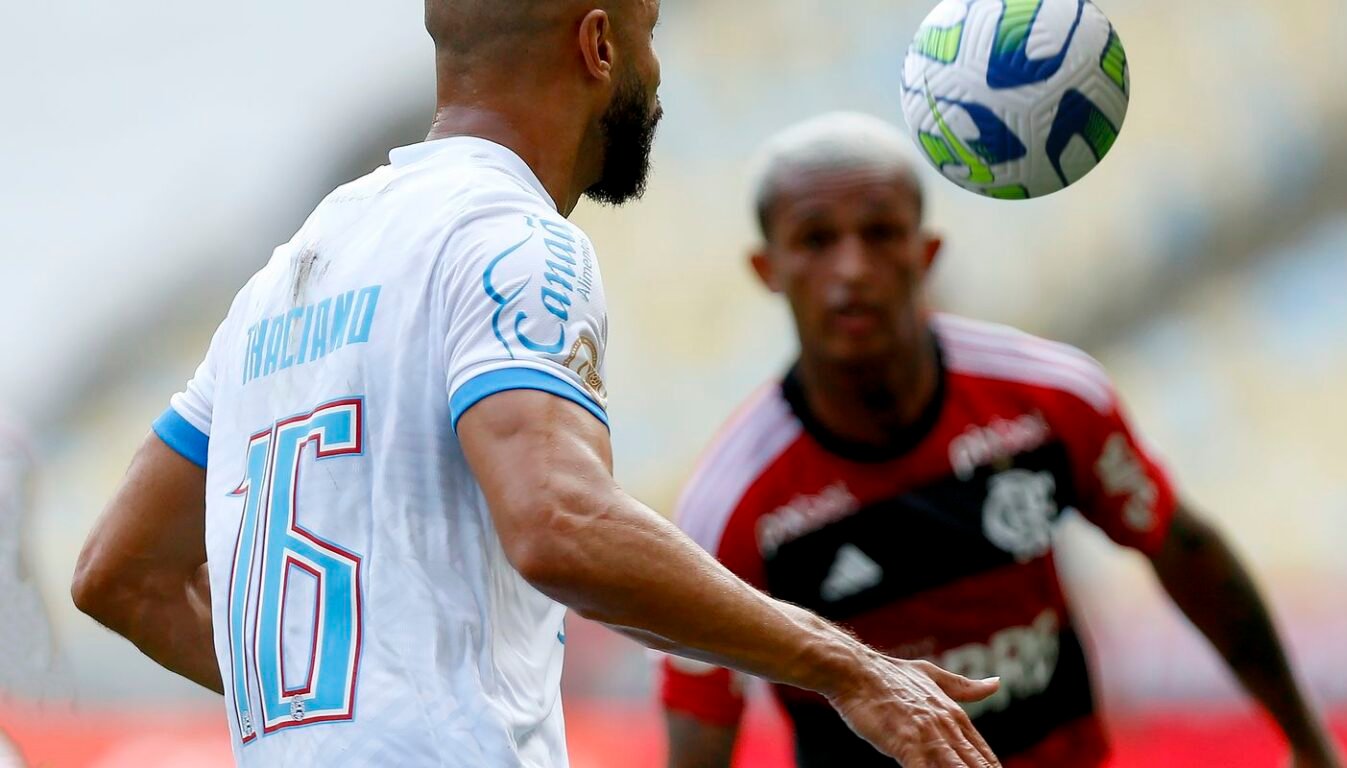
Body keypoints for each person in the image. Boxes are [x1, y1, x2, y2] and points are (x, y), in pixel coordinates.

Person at [69, 4, 1003, 766]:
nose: (658, 72)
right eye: (650, 33)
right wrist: (845, 665)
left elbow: (119, 573)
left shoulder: (286, 275)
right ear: (598, 45)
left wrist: (344, 721)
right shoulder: (514, 238)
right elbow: (561, 525)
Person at [659, 112, 1346, 768]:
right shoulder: (733, 502)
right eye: (815, 240)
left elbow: (1184, 549)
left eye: (880, 233)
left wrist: (1308, 741)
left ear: (925, 254)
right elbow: (699, 725)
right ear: (767, 269)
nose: (852, 269)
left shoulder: (1049, 399)